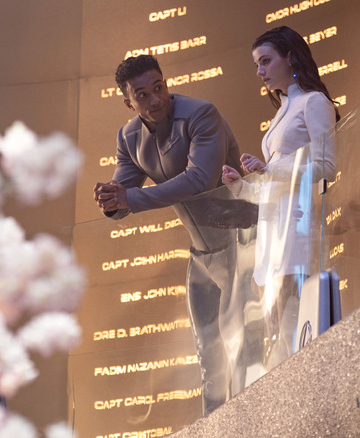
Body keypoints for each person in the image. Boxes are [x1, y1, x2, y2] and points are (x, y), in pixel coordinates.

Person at [93, 54, 248, 415]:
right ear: (128, 101)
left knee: (243, 348)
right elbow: (123, 191)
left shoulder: (201, 114)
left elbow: (200, 180)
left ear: (165, 82)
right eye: (142, 95)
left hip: (240, 242)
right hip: (200, 254)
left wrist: (129, 198)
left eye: (158, 87)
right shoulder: (128, 136)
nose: (155, 99)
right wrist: (110, 201)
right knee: (208, 358)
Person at [221, 26, 338, 371]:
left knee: (298, 326)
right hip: (272, 235)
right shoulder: (283, 109)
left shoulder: (313, 102)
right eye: (257, 64)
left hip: (298, 229)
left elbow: (326, 166)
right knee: (278, 331)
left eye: (266, 61)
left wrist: (270, 170)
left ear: (290, 56)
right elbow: (277, 181)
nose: (260, 72)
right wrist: (243, 188)